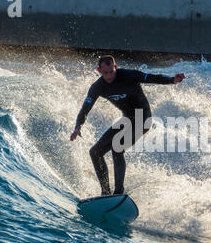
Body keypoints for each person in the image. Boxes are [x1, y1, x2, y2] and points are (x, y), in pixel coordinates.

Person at [70, 55, 185, 196]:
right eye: (105, 73)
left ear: (115, 67)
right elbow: (86, 108)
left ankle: (119, 192)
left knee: (117, 149)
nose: (108, 75)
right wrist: (78, 127)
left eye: (111, 71)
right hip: (127, 120)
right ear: (99, 70)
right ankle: (106, 193)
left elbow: (152, 78)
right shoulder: (97, 87)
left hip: (143, 119)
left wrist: (172, 80)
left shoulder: (129, 75)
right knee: (95, 152)